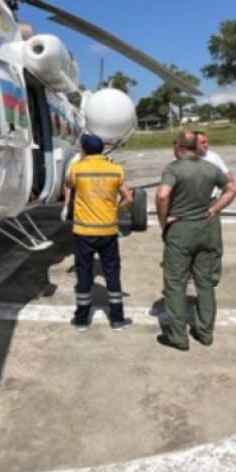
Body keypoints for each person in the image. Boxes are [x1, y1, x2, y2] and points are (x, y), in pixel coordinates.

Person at [156, 131, 236, 350]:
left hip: (181, 230)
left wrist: (164, 222)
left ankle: (178, 336)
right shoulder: (211, 168)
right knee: (205, 284)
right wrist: (214, 209)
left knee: (175, 283)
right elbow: (232, 188)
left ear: (180, 147)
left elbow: (163, 195)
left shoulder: (173, 169)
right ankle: (205, 332)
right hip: (204, 228)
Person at [65, 134, 134, 330]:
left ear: (84, 150)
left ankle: (81, 320)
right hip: (108, 230)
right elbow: (129, 199)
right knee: (112, 273)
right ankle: (117, 319)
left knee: (84, 274)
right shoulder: (115, 169)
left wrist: (80, 161)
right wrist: (115, 210)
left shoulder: (77, 169)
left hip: (83, 231)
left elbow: (68, 184)